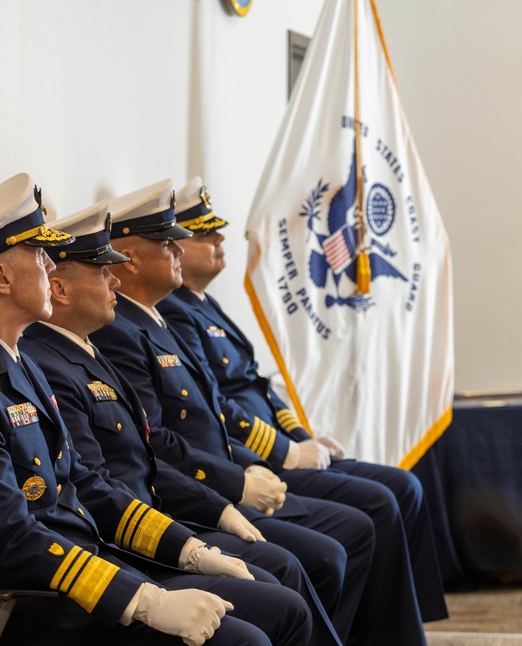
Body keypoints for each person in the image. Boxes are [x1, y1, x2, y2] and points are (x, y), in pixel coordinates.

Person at [0, 173, 310, 645]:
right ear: (2, 277)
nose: (49, 264)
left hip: (83, 575)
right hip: (35, 603)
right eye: (38, 253)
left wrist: (188, 549)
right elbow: (11, 540)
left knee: (283, 606)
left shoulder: (15, 361)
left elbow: (86, 484)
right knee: (252, 637)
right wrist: (145, 601)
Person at [19, 199, 341, 645]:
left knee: (290, 580)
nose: (114, 278)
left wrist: (207, 519)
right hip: (96, 562)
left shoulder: (63, 354)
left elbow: (132, 462)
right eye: (101, 271)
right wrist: (172, 562)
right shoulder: (22, 365)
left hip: (139, 530)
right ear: (58, 288)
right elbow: (57, 505)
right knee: (278, 594)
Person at [86, 179, 378, 644]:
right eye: (167, 241)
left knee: (338, 539)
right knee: (314, 556)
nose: (179, 248)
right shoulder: (114, 335)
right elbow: (142, 455)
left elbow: (225, 402)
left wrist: (284, 445)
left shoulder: (151, 321)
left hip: (203, 488)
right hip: (172, 509)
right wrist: (227, 496)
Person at [158, 176, 448, 627]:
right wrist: (286, 452)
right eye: (202, 233)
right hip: (253, 461)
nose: (219, 239)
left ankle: (399, 629)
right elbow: (218, 409)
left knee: (402, 488)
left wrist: (300, 435)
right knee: (374, 510)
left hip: (275, 448)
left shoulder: (203, 304)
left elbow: (258, 384)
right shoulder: (174, 310)